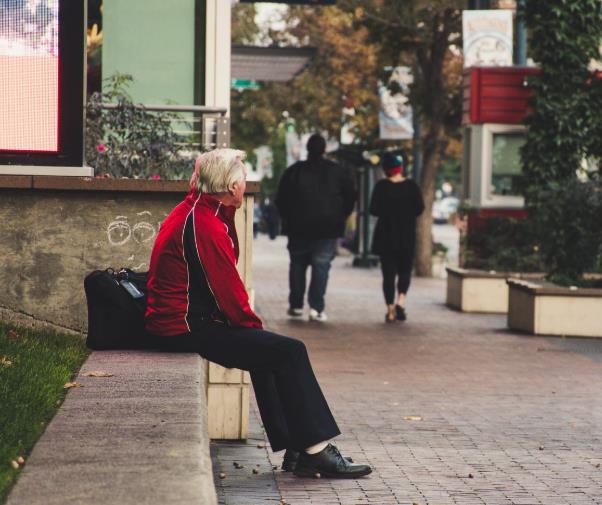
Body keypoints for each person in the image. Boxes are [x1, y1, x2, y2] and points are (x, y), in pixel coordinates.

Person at [145, 148, 371, 479]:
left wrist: (222, 158)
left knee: (269, 352)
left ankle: (298, 450)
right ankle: (316, 452)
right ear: (230, 187)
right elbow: (228, 292)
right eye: (242, 179)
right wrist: (254, 329)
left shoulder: (201, 209)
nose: (245, 184)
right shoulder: (204, 224)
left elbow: (202, 179)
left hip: (185, 320)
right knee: (289, 351)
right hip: (184, 325)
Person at [275, 134, 356, 322]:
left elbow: (281, 199)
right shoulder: (337, 172)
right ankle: (316, 307)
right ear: (324, 149)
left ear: (308, 149)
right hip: (327, 228)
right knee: (321, 266)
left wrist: (288, 218)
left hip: (298, 227)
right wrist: (340, 216)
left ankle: (296, 305)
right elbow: (350, 197)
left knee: (297, 265)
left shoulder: (294, 171)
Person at [369, 153, 424, 323]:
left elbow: (373, 210)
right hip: (406, 236)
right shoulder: (411, 186)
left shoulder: (381, 187)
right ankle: (401, 300)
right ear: (400, 169)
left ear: (386, 170)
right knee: (405, 271)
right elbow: (419, 208)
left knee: (388, 275)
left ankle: (390, 310)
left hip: (386, 237)